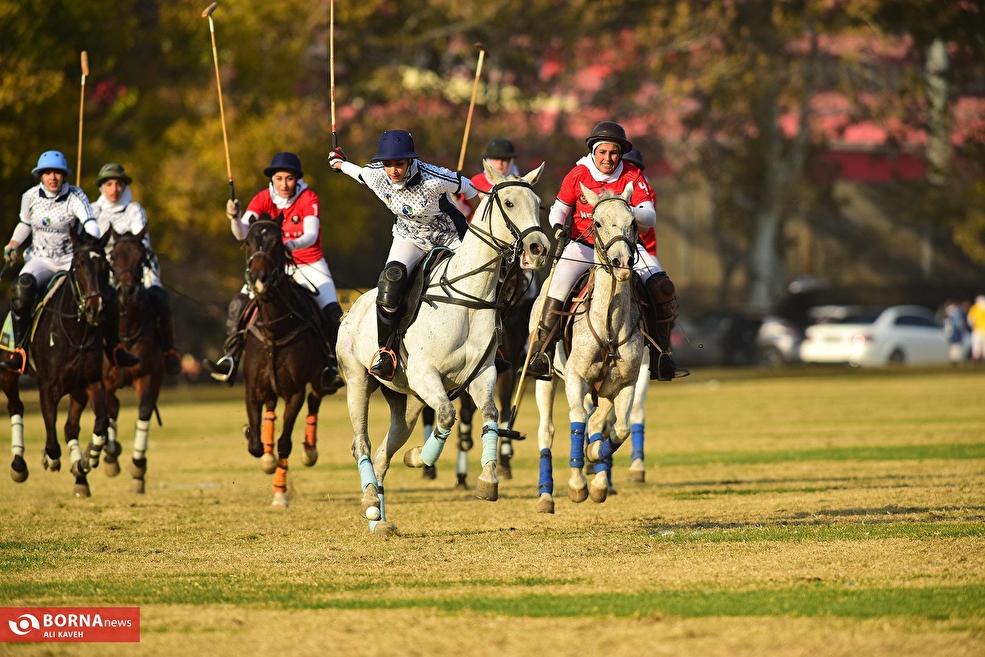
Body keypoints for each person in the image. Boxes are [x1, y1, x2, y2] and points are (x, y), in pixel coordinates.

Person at [524, 121, 689, 382]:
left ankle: (661, 354)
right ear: (594, 151)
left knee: (662, 287)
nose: (608, 158)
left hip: (626, 246)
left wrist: (622, 210)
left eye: (613, 153)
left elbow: (650, 217)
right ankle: (542, 353)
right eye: (603, 152)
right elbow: (558, 210)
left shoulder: (632, 174)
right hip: (584, 246)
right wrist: (558, 228)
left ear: (620, 153)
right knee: (556, 286)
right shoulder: (578, 174)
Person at [329, 129, 480, 380]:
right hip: (409, 237)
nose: (393, 170)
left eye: (399, 164)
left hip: (450, 236)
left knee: (479, 282)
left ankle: (492, 348)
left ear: (409, 160)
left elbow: (470, 189)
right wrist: (339, 162)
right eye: (387, 164)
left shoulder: (434, 177)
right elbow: (358, 173)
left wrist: (476, 227)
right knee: (390, 282)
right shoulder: (377, 175)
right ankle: (386, 352)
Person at [202, 152, 344, 390]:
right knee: (239, 304)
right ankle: (230, 358)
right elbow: (242, 234)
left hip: (308, 263)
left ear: (297, 179)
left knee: (331, 312)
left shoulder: (308, 198)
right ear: (273, 179)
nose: (284, 184)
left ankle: (330, 367)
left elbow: (310, 235)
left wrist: (288, 244)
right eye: (279, 178)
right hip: (273, 268)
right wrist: (234, 218)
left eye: (289, 178)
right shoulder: (262, 199)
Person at [2, 151, 140, 372]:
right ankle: (20, 350)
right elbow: (25, 224)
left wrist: (93, 242)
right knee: (21, 289)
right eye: (47, 173)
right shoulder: (29, 196)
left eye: (57, 172)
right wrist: (13, 244)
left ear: (64, 175)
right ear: (41, 175)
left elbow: (89, 222)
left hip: (70, 261)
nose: (53, 177)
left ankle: (115, 349)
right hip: (40, 259)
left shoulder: (76, 196)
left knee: (106, 292)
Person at [91, 163, 182, 376]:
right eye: (109, 184)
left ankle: (169, 352)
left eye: (119, 184)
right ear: (102, 186)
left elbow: (140, 244)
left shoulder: (134, 210)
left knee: (160, 299)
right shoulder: (93, 210)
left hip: (136, 267)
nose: (114, 189)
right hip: (105, 269)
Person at [968, 295, 985, 363]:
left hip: (977, 330)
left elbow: (970, 320)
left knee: (977, 346)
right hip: (979, 330)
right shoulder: (975, 308)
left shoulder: (974, 308)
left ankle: (976, 360)